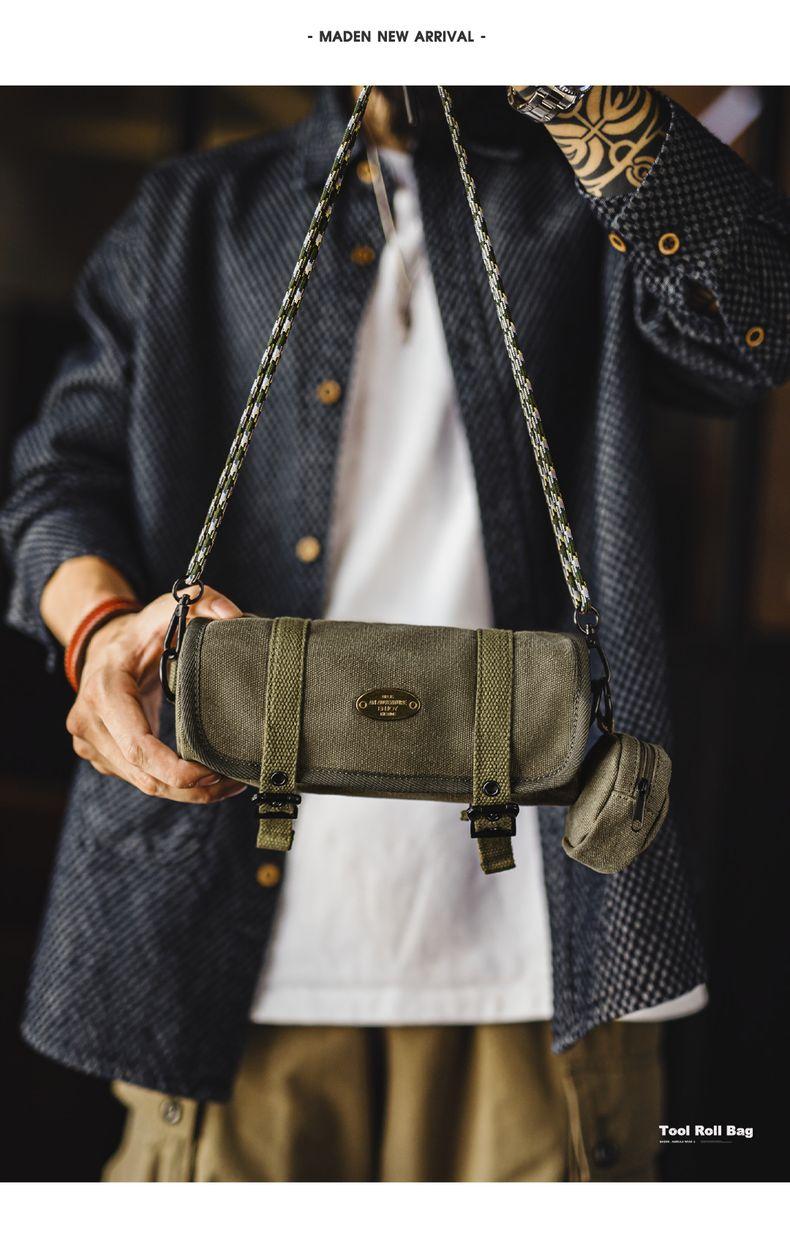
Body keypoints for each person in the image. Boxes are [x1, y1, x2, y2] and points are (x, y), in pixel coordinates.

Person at [2, 86, 788, 1182]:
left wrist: (577, 87)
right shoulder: (194, 209)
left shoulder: (586, 204)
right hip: (224, 935)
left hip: (543, 941)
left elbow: (756, 326)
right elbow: (59, 473)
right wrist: (97, 633)